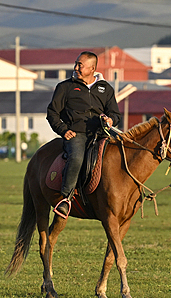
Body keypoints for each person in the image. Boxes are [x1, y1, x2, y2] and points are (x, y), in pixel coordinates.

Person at [46, 51, 121, 218]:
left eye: (80, 65)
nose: (76, 68)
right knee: (77, 158)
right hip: (76, 135)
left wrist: (110, 120)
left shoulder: (105, 88)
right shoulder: (65, 87)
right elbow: (52, 113)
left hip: (101, 134)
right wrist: (63, 130)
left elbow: (116, 114)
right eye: (76, 64)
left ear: (92, 68)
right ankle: (66, 199)